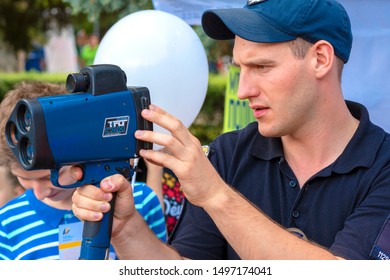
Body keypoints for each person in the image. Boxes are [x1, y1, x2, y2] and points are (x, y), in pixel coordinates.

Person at [71, 0, 390, 260]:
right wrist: (127, 230)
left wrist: (216, 195)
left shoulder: (383, 165)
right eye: (240, 68)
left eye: (262, 67)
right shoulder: (229, 153)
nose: (243, 90)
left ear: (320, 58)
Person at [0, 81, 166, 260]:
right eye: (23, 179)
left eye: (49, 177)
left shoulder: (141, 200)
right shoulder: (7, 223)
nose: (40, 193)